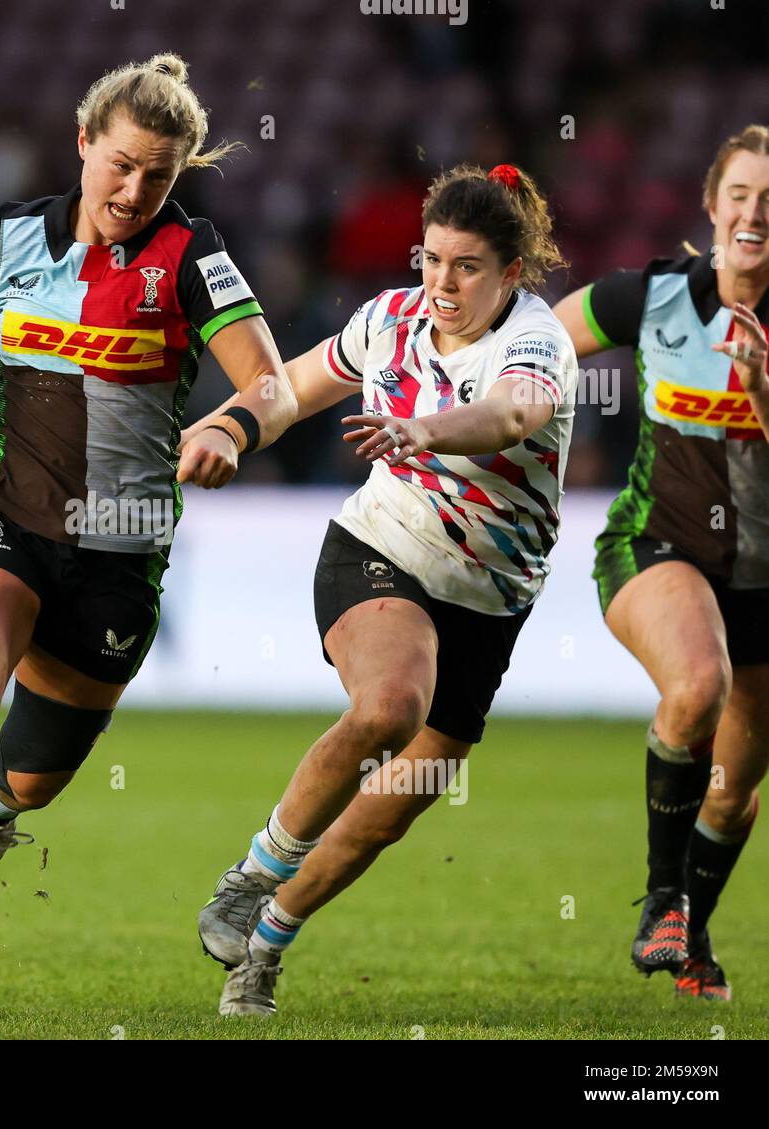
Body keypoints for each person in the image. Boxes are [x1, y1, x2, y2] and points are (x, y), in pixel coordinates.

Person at [0, 54, 297, 1008]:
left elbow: (271, 380)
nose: (133, 189)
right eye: (119, 164)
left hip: (121, 546)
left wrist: (233, 426)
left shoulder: (192, 258)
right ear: (82, 144)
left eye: (158, 174)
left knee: (29, 779)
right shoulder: (10, 239)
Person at [193, 164, 577, 1017]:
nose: (442, 282)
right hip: (380, 546)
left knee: (393, 807)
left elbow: (511, 416)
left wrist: (421, 428)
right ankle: (253, 872)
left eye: (466, 266)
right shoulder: (388, 319)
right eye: (432, 258)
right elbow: (289, 387)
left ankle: (265, 944)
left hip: (491, 597)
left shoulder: (536, 342)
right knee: (390, 705)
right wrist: (226, 423)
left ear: (509, 273)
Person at [553, 124, 769, 1001]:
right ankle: (662, 899)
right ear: (712, 206)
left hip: (762, 580)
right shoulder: (651, 297)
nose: (755, 214)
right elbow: (540, 350)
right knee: (695, 686)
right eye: (742, 195)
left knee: (733, 791)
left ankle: (693, 933)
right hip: (656, 546)